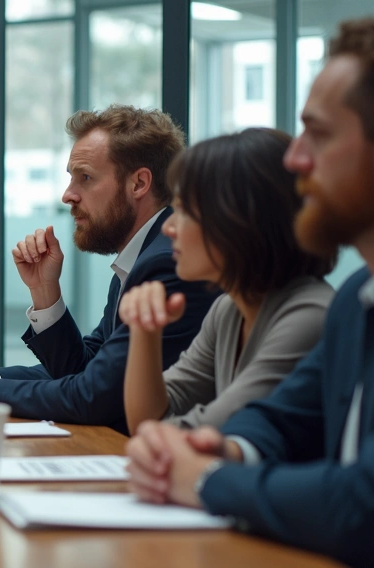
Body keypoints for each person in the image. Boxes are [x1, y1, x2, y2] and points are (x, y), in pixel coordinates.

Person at [126, 16, 374, 568]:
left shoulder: (324, 306)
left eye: (320, 135)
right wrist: (221, 447)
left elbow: (363, 502)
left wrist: (207, 478)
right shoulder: (359, 301)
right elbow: (281, 417)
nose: (295, 159)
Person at [0, 106, 219, 433]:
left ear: (139, 183)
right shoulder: (141, 255)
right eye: (70, 177)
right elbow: (89, 368)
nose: (68, 195)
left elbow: (94, 395)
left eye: (86, 177)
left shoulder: (167, 263)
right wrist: (43, 293)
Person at [119, 128, 336, 435]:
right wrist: (145, 330)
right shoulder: (229, 308)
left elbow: (204, 436)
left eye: (184, 210)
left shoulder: (308, 316)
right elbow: (146, 425)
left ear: (240, 220)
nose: (168, 227)